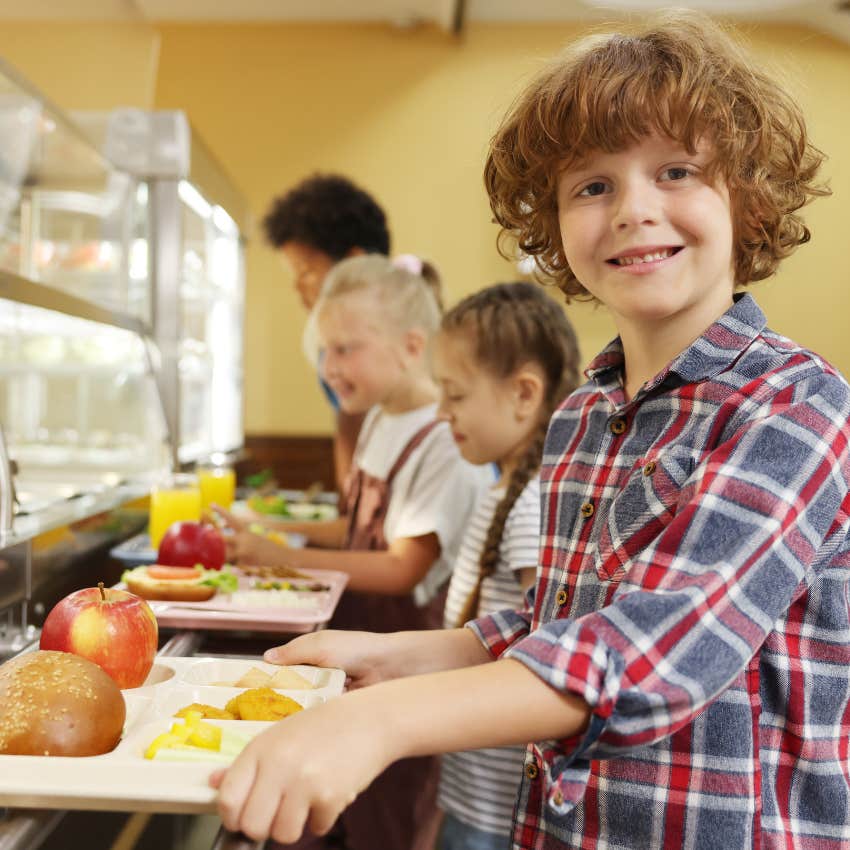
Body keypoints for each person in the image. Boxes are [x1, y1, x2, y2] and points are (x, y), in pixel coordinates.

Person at [213, 11, 850, 849]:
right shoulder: (584, 413)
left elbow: (657, 648)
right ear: (552, 224)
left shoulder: (795, 406)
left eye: (677, 171)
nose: (633, 210)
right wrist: (393, 657)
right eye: (592, 185)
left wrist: (380, 724)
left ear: (748, 195)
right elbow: (558, 625)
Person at [216, 253, 492, 850]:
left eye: (346, 349)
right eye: (325, 349)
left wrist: (276, 556)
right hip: (354, 652)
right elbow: (359, 525)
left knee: (386, 817)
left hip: (400, 664)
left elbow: (400, 566)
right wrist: (268, 525)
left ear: (411, 346)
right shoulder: (378, 417)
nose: (329, 366)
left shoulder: (440, 439)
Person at [434, 282, 580, 849]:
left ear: (524, 394)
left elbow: (541, 652)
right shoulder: (506, 494)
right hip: (477, 789)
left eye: (455, 394)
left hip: (500, 808)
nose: (443, 411)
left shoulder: (531, 506)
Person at [262, 173, 391, 489]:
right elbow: (347, 428)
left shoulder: (396, 339)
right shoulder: (327, 347)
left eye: (306, 271)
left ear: (355, 263)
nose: (297, 287)